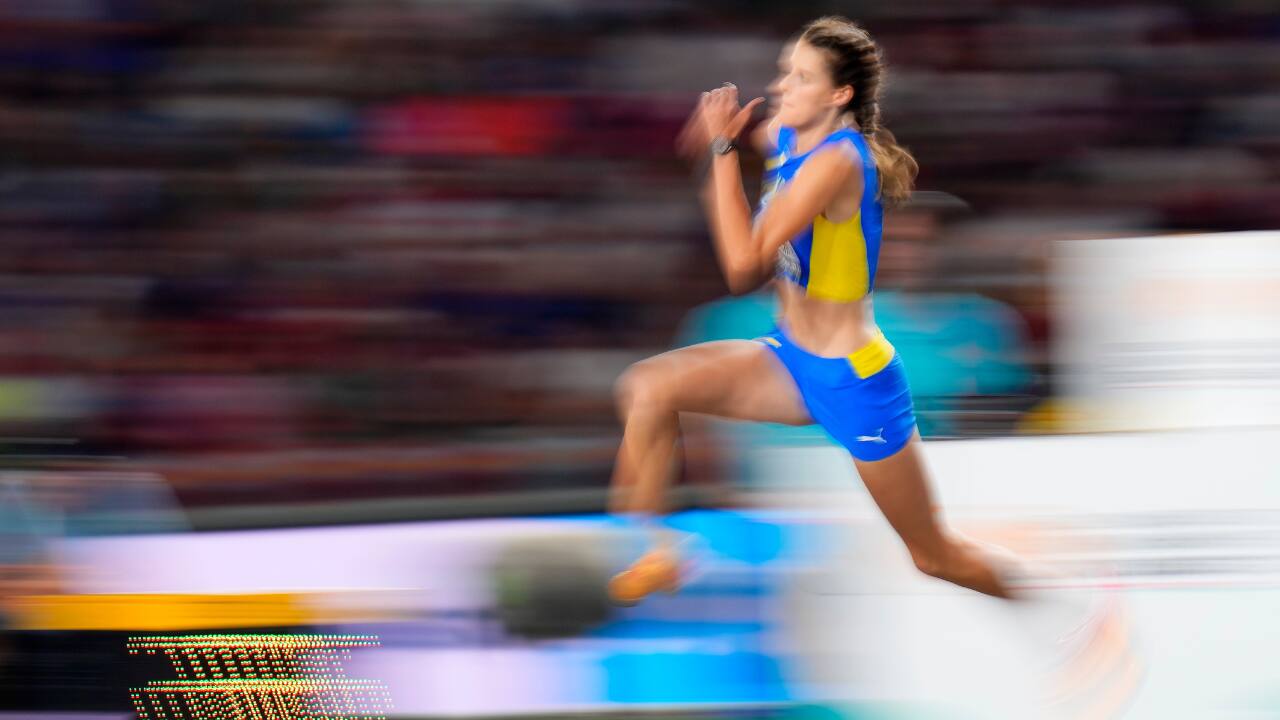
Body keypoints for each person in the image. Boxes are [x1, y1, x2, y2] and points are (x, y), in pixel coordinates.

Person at [606, 16, 1021, 605]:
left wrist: (718, 153)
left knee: (934, 557)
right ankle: (652, 551)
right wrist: (722, 133)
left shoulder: (839, 162)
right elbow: (759, 138)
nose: (781, 87)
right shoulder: (789, 137)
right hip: (789, 359)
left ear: (839, 94)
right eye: (783, 72)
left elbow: (744, 267)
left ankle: (1059, 603)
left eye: (800, 77)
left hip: (855, 380)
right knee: (648, 387)